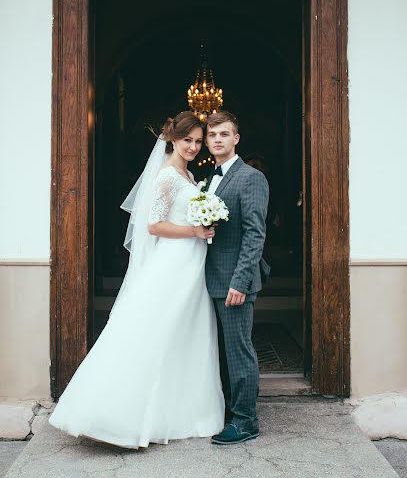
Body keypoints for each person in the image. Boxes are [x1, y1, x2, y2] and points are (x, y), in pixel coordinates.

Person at [49, 111, 224, 449]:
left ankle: (176, 413)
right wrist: (195, 230)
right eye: (188, 140)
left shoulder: (187, 176)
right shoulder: (167, 177)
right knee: (155, 333)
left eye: (198, 141)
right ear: (172, 139)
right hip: (173, 265)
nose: (194, 146)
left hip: (190, 265)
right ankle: (113, 414)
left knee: (184, 335)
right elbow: (154, 225)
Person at [205, 110, 269, 445]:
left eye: (224, 134)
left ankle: (246, 421)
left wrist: (240, 282)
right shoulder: (208, 179)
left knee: (238, 350)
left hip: (233, 283)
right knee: (217, 352)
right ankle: (229, 411)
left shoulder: (250, 178)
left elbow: (254, 235)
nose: (217, 140)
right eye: (212, 134)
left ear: (236, 139)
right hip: (208, 280)